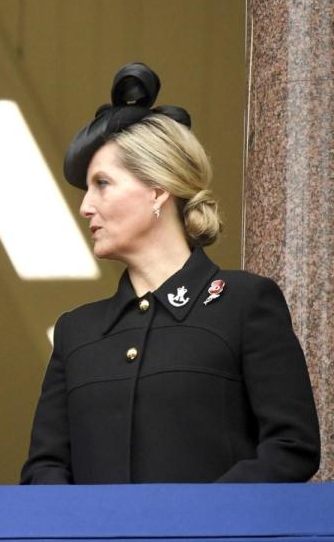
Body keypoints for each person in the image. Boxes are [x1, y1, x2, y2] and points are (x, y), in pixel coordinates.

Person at [21, 63, 320, 484]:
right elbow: (44, 469)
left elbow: (291, 448)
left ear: (159, 190)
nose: (86, 206)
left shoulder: (244, 303)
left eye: (102, 184)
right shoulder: (77, 332)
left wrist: (197, 520)